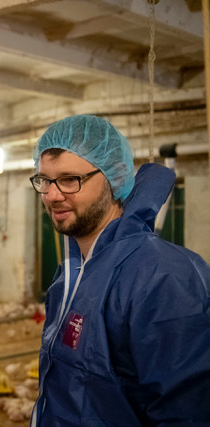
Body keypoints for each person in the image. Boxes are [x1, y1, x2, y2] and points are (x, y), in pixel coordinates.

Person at [29, 114, 210, 426]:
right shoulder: (69, 277)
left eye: (71, 180)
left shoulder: (163, 276)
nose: (52, 195)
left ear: (114, 177)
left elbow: (186, 415)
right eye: (44, 180)